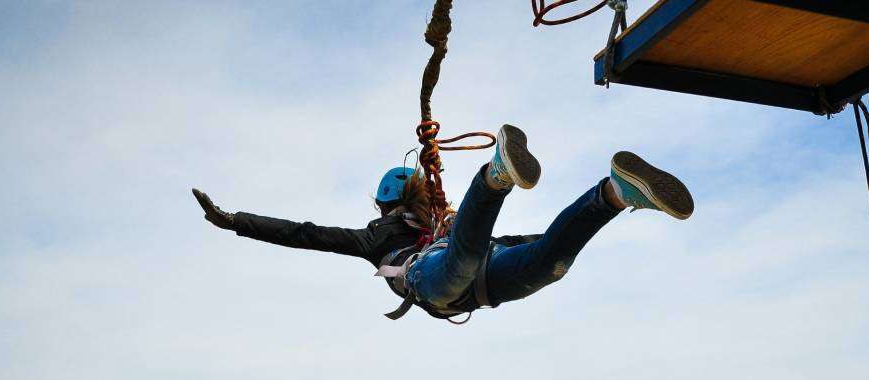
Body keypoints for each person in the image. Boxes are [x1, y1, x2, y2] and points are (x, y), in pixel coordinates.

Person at [192, 125, 693, 322]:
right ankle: (505, 178)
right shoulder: (380, 238)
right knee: (473, 253)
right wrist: (236, 221)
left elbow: (496, 241)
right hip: (449, 281)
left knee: (550, 265)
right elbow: (303, 234)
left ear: (387, 200)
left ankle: (613, 193)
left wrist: (544, 240)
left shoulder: (444, 225)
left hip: (464, 274)